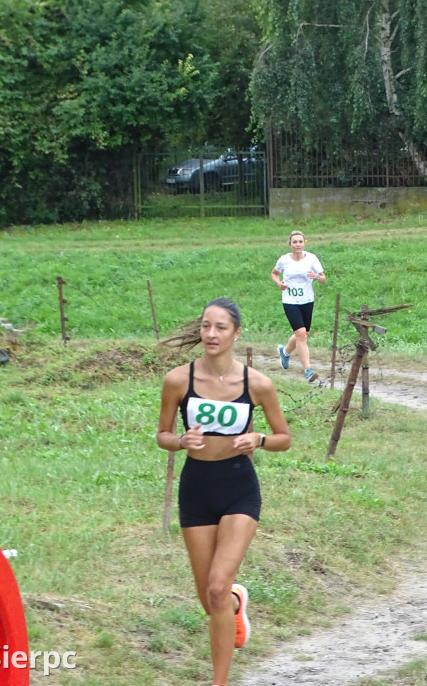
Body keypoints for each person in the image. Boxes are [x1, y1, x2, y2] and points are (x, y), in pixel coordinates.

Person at [156, 298, 291, 686]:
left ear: (236, 333)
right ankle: (234, 603)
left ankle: (220, 682)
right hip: (196, 489)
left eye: (220, 327)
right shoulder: (178, 380)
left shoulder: (257, 383)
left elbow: (284, 438)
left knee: (217, 582)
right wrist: (180, 441)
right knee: (210, 599)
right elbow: (162, 435)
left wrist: (260, 438)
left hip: (238, 489)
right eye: (205, 326)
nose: (211, 334)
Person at [271, 230, 326, 382]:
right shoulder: (284, 260)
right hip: (290, 301)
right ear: (290, 244)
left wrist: (317, 277)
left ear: (304, 243)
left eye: (300, 241)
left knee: (303, 333)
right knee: (301, 334)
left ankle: (285, 352)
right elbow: (274, 273)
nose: (297, 244)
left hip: (307, 300)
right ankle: (308, 370)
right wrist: (279, 283)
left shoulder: (311, 258)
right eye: (294, 242)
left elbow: (323, 278)